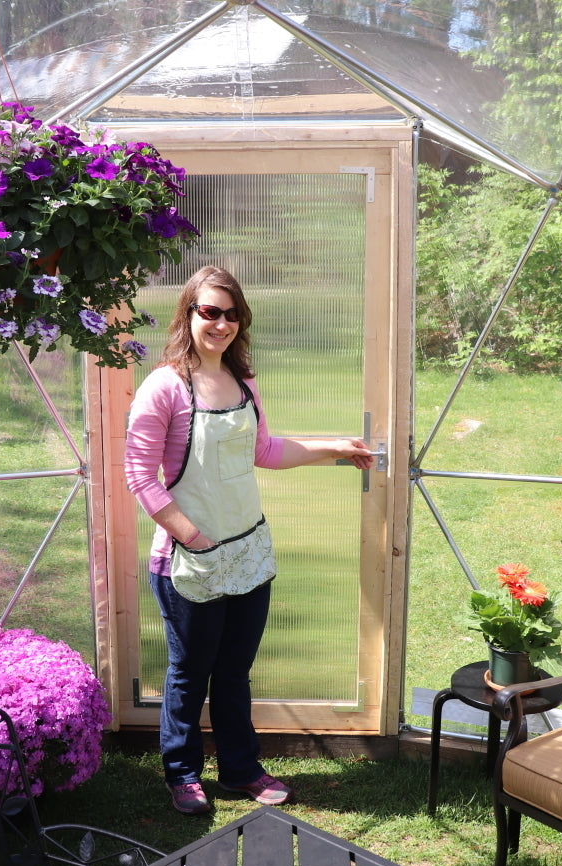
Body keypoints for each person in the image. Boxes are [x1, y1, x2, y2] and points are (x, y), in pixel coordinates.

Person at [124, 265, 374, 815]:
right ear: (188, 314)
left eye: (232, 314)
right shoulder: (164, 387)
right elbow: (139, 476)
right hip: (189, 559)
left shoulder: (244, 382)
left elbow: (264, 451)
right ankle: (182, 775)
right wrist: (195, 538)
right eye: (210, 312)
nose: (222, 324)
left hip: (248, 552)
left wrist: (333, 448)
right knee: (189, 675)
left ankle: (240, 770)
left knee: (234, 673)